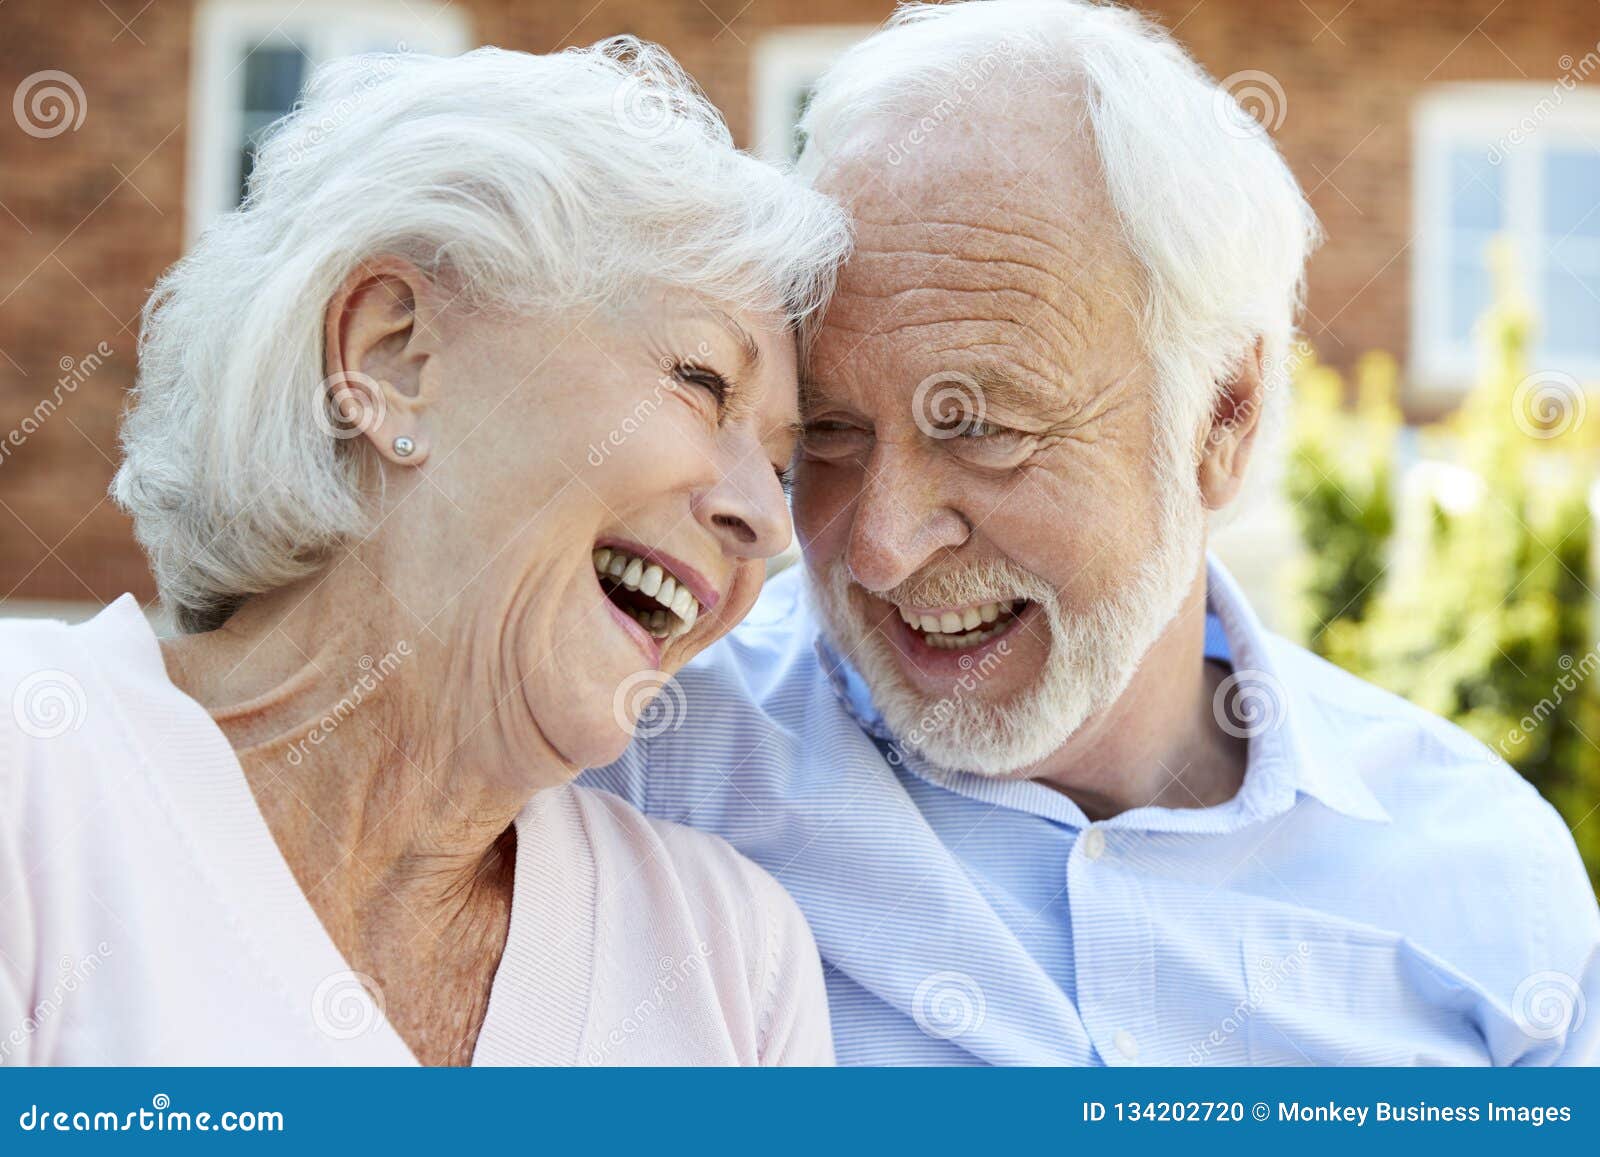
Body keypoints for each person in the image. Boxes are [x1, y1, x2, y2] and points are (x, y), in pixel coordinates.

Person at [584, 0, 1600, 1065]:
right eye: (831, 432)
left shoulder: (1489, 884)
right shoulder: (645, 766)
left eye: (981, 428)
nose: (880, 547)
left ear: (1221, 415)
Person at [0, 41, 851, 1066]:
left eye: (785, 464)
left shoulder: (730, 957)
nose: (766, 517)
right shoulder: (35, 776)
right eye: (701, 379)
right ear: (392, 354)